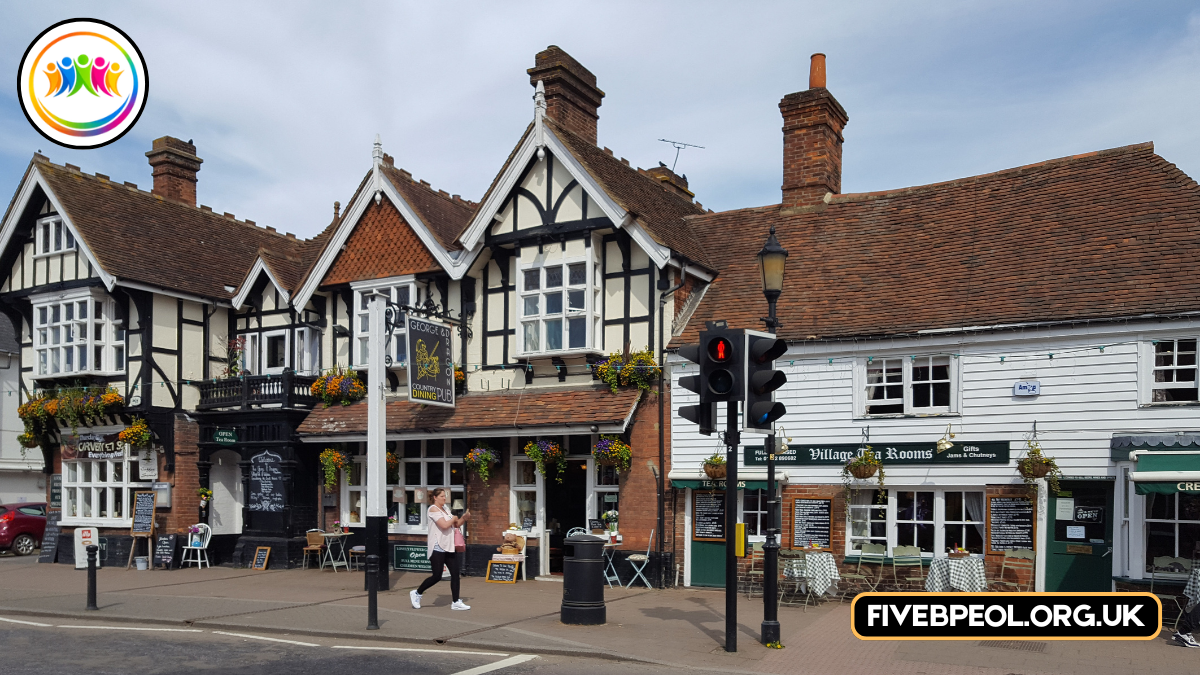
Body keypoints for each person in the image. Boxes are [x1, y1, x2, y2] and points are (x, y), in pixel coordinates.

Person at [410, 488, 471, 611]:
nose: (444, 498)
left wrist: (463, 518)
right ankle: (417, 593)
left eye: (445, 496)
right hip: (437, 546)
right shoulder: (433, 509)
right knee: (437, 576)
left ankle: (455, 601)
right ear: (435, 497)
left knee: (455, 574)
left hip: (449, 546)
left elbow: (456, 524)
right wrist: (453, 519)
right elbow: (444, 525)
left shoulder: (446, 509)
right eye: (442, 496)